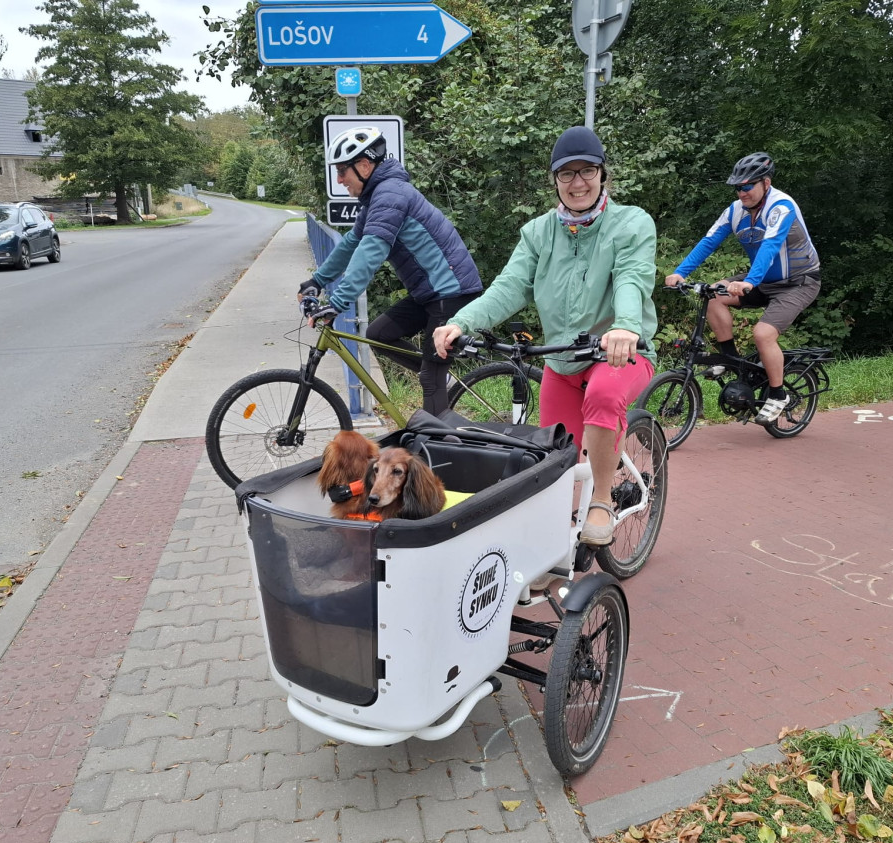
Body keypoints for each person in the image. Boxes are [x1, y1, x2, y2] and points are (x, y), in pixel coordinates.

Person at [432, 126, 657, 546]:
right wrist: (462, 323)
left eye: (587, 171)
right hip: (562, 359)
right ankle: (551, 544)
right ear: (554, 180)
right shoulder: (538, 233)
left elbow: (632, 276)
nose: (577, 182)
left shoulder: (630, 223)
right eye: (566, 173)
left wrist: (626, 326)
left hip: (620, 353)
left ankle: (602, 500)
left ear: (602, 174)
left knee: (604, 396)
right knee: (553, 454)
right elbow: (509, 286)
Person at [299, 126, 482, 416]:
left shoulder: (390, 195)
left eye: (342, 171)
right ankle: (438, 373)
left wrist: (337, 302)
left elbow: (370, 252)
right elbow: (351, 243)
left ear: (364, 166)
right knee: (378, 334)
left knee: (430, 380)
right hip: (430, 292)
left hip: (451, 291)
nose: (339, 179)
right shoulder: (378, 196)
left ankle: (437, 441)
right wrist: (317, 280)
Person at [664, 152, 820, 424]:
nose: (741, 192)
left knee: (763, 334)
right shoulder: (735, 211)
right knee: (712, 295)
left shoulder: (781, 206)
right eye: (738, 187)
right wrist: (680, 272)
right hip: (762, 279)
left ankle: (778, 394)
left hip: (798, 282)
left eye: (747, 186)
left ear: (766, 183)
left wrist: (750, 281)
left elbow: (771, 245)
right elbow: (709, 241)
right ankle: (730, 359)